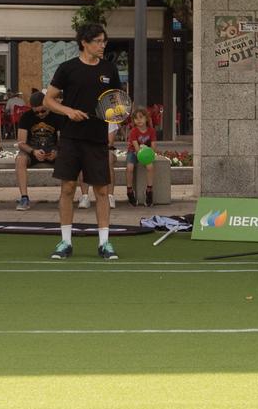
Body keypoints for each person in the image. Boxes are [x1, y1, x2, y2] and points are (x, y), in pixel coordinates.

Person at [44, 22, 122, 260]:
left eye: (104, 41)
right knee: (67, 188)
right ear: (84, 43)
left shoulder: (109, 69)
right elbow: (48, 100)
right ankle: (65, 243)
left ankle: (104, 243)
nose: (102, 45)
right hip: (70, 138)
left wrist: (117, 115)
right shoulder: (67, 68)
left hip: (97, 138)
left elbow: (115, 103)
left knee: (101, 190)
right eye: (98, 41)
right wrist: (68, 111)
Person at [14, 88, 61, 211]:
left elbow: (63, 140)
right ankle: (24, 198)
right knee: (20, 159)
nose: (40, 114)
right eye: (37, 112)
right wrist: (33, 151)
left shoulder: (57, 116)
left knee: (70, 158)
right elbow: (21, 143)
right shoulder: (26, 117)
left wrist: (56, 151)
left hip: (53, 151)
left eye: (43, 111)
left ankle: (66, 197)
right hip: (32, 151)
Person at [125, 106, 156, 206]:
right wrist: (140, 153)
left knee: (150, 167)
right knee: (130, 168)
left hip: (146, 153)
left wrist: (149, 153)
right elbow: (136, 146)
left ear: (146, 118)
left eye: (141, 117)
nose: (138, 120)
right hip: (134, 151)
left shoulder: (151, 131)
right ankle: (129, 190)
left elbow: (153, 146)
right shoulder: (134, 131)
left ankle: (149, 190)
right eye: (136, 118)